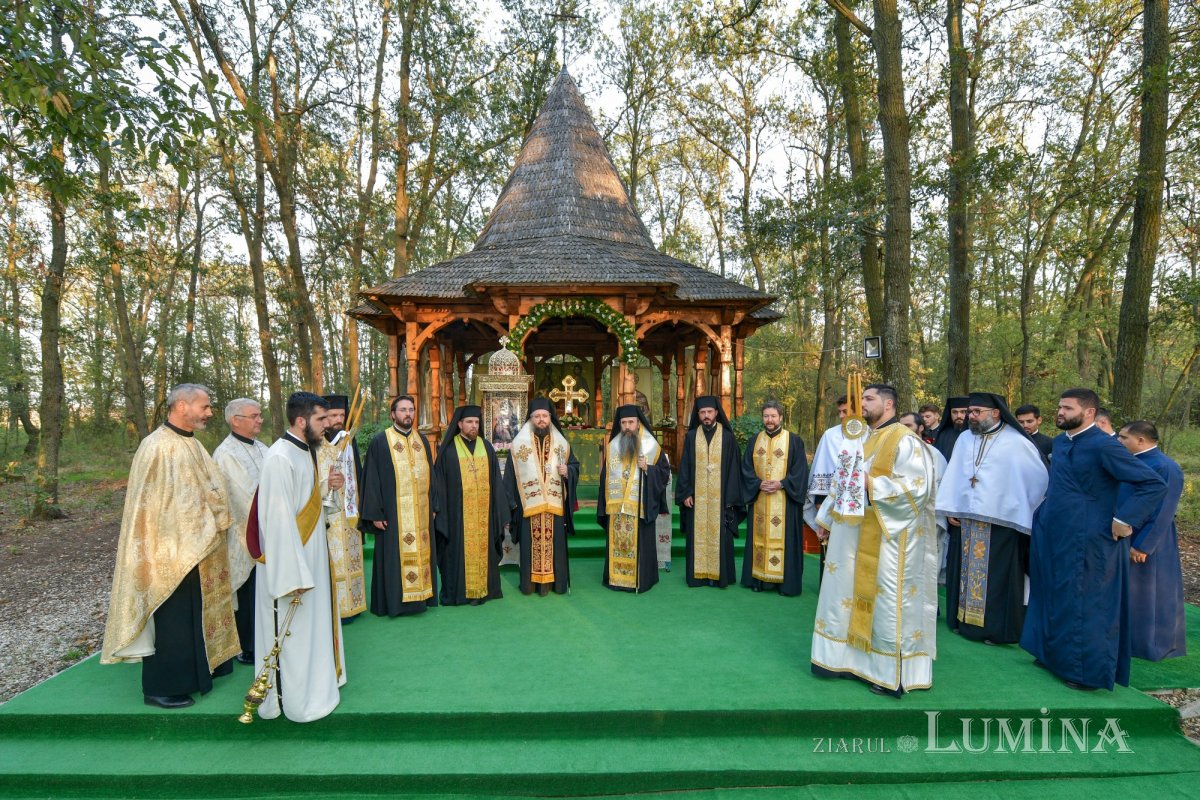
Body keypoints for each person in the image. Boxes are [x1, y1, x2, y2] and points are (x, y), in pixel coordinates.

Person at [101, 384, 238, 709]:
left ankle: (198, 672)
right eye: (204, 407)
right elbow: (158, 508)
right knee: (173, 621)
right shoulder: (158, 447)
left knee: (194, 615)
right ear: (181, 406)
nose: (208, 413)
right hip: (171, 553)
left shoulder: (190, 443)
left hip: (197, 549)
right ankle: (161, 687)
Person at [1021, 388, 1167, 691]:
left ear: (1089, 413)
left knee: (1085, 600)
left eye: (1068, 408)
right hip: (1055, 531)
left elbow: (1152, 484)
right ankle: (1052, 656)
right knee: (1053, 592)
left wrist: (1125, 520)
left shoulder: (1106, 446)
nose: (1060, 412)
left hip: (1091, 537)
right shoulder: (1061, 442)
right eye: (1060, 407)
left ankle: (1083, 671)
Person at [811, 384, 940, 696]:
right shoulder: (862, 438)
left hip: (888, 540)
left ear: (889, 403)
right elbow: (843, 481)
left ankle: (887, 672)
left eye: (869, 399)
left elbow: (917, 489)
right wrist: (826, 519)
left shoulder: (905, 440)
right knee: (845, 596)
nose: (863, 404)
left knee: (885, 603)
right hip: (853, 534)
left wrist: (872, 484)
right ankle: (846, 661)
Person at [252, 392, 346, 722]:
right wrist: (293, 577)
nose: (329, 424)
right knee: (294, 633)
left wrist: (329, 489)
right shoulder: (279, 458)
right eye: (322, 420)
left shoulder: (306, 451)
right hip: (292, 570)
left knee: (313, 628)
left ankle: (315, 688)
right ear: (301, 421)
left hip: (311, 558)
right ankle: (293, 700)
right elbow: (276, 524)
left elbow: (306, 506)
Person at [935, 392, 1048, 644]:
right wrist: (952, 507)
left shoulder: (1016, 442)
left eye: (976, 412)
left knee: (997, 578)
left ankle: (995, 631)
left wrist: (1018, 508)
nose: (970, 417)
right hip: (965, 520)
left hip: (1001, 523)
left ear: (995, 413)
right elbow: (955, 473)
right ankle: (962, 622)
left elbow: (1036, 479)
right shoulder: (965, 438)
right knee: (963, 572)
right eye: (969, 412)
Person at [358, 395, 437, 616]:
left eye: (411, 409)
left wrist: (433, 505)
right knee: (393, 558)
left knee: (422, 554)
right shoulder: (380, 442)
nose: (407, 414)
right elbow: (371, 480)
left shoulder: (421, 441)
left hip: (420, 512)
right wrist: (375, 513)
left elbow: (432, 475)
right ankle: (394, 604)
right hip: (393, 515)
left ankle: (421, 598)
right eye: (402, 410)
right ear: (393, 414)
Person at [1118, 421, 1186, 661]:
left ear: (1140, 440)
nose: (1119, 441)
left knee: (1151, 592)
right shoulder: (1132, 461)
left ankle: (1153, 645)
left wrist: (1143, 544)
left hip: (1151, 539)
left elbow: (1164, 510)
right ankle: (1130, 642)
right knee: (1131, 592)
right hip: (1127, 532)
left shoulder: (1166, 467)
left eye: (1124, 437)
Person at [211, 397, 269, 665]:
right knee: (248, 592)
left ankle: (267, 637)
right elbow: (244, 496)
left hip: (266, 530)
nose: (260, 420)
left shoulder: (263, 448)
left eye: (259, 415)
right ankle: (249, 646)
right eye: (254, 416)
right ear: (236, 420)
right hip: (243, 535)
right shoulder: (226, 454)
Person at [432, 405, 508, 605]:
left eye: (476, 422)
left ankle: (486, 591)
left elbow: (496, 484)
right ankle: (459, 594)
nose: (473, 426)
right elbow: (438, 484)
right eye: (469, 422)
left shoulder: (487, 447)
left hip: (484, 515)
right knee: (456, 553)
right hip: (457, 517)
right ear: (459, 424)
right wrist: (438, 509)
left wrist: (500, 510)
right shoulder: (448, 451)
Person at [504, 397, 580, 595]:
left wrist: (568, 472)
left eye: (544, 416)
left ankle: (557, 583)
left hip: (554, 507)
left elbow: (574, 466)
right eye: (536, 416)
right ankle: (530, 585)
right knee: (530, 545)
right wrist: (512, 505)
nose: (541, 420)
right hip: (529, 506)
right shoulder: (519, 443)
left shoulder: (562, 444)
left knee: (555, 546)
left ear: (550, 417)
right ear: (530, 418)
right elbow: (511, 477)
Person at [598, 405, 671, 592]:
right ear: (619, 424)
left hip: (641, 506)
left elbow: (664, 473)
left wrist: (648, 469)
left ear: (638, 423)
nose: (627, 426)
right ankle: (616, 579)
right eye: (623, 423)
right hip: (617, 509)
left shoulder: (651, 446)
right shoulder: (613, 446)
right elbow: (604, 477)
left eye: (631, 422)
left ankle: (642, 578)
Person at [675, 396, 744, 588]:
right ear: (698, 415)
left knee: (721, 535)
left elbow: (734, 470)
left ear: (716, 413)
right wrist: (686, 492)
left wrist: (730, 499)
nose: (706, 416)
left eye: (709, 412)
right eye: (702, 412)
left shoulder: (728, 438)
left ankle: (720, 576)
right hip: (696, 501)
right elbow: (685, 468)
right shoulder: (691, 437)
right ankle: (698, 576)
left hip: (721, 500)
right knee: (696, 535)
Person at [741, 400, 807, 596]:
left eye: (773, 416)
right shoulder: (754, 441)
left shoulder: (793, 441)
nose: (769, 420)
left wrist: (783, 483)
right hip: (760, 498)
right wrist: (757, 483)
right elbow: (745, 469)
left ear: (781, 417)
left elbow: (800, 471)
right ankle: (759, 579)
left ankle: (784, 584)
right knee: (758, 540)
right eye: (766, 416)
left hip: (785, 501)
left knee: (785, 540)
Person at [318, 394, 366, 623]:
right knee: (335, 561)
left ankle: (354, 605)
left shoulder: (348, 438)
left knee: (352, 557)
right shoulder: (317, 442)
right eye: (333, 415)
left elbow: (357, 470)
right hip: (328, 513)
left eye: (341, 415)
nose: (338, 420)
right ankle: (336, 607)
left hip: (349, 509)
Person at [804, 395, 849, 586]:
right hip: (832, 502)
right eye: (839, 412)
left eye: (846, 411)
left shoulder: (872, 434)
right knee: (830, 547)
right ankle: (828, 588)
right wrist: (821, 505)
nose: (841, 416)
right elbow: (821, 469)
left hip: (863, 504)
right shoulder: (831, 435)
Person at [932, 397, 968, 462]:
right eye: (955, 412)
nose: (958, 416)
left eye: (963, 412)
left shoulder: (977, 434)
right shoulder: (943, 435)